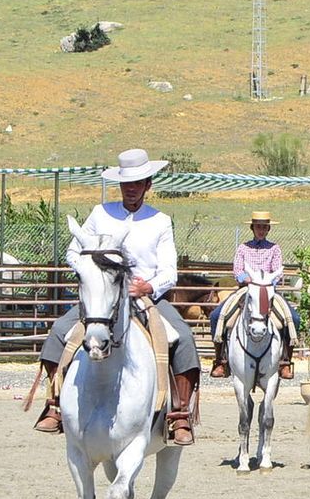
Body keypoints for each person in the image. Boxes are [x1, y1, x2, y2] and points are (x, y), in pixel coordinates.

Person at [32, 148, 201, 445]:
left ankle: (180, 415)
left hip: (145, 296)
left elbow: (169, 271)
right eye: (126, 184)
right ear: (120, 185)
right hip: (103, 296)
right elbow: (74, 251)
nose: (131, 189)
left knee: (183, 338)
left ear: (148, 185)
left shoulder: (160, 221)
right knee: (58, 332)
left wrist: (147, 287)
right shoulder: (100, 214)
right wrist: (90, 270)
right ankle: (55, 404)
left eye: (138, 183)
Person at [209, 210, 299, 381]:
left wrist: (267, 283)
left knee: (293, 318)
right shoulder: (243, 248)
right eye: (258, 227)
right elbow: (237, 269)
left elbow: (277, 271)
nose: (261, 230)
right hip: (246, 288)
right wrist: (247, 279)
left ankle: (286, 362)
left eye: (264, 227)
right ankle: (220, 361)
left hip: (267, 289)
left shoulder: (274, 248)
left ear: (268, 229)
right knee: (216, 316)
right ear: (252, 228)